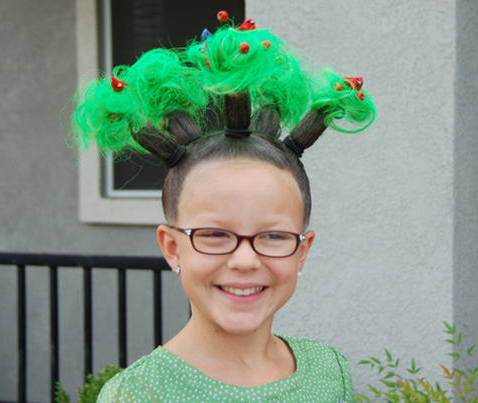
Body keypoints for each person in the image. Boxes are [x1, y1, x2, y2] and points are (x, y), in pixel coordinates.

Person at [72, 13, 375, 403]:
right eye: (214, 235)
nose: (245, 260)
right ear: (171, 247)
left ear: (302, 250)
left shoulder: (329, 370)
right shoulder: (137, 395)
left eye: (273, 236)